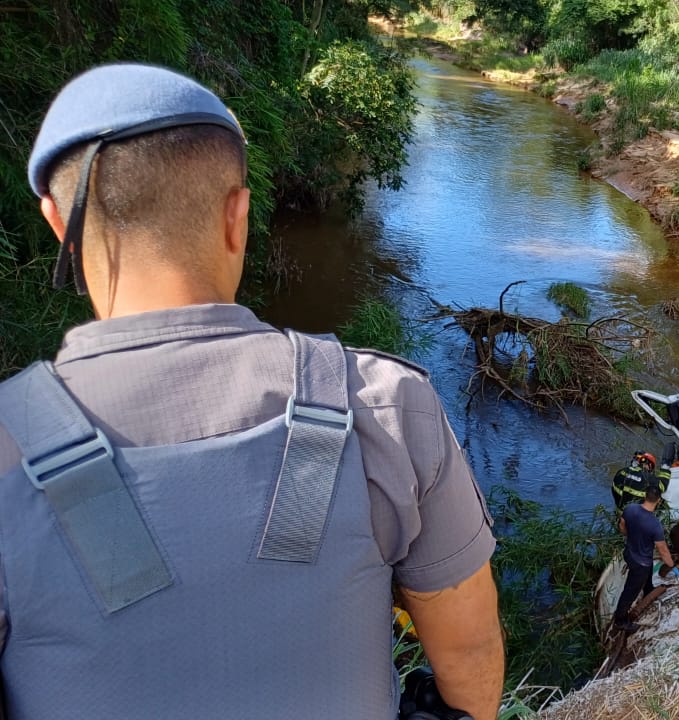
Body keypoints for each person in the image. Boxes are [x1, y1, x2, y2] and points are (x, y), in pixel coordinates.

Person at [0, 64, 503, 719]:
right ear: (238, 215)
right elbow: (468, 656)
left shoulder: (10, 446)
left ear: (55, 222)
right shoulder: (386, 404)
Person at [613, 482, 677, 633]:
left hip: (629, 553)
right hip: (641, 563)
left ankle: (648, 590)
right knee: (630, 591)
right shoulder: (655, 525)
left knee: (646, 571)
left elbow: (622, 526)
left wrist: (629, 535)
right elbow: (663, 551)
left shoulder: (630, 509)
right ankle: (620, 620)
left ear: (644, 496)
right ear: (659, 500)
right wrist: (671, 565)